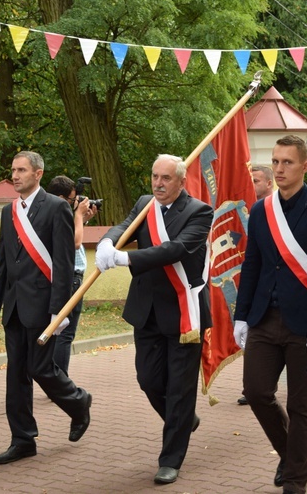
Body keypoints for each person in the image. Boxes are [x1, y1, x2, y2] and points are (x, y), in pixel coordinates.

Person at [233, 135, 307, 493]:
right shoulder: (261, 209)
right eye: (276, 162)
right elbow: (253, 264)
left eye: (287, 163)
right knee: (257, 390)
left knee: (302, 406)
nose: (279, 169)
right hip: (264, 317)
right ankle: (290, 454)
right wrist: (241, 314)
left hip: (305, 322)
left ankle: (295, 482)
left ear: (305, 167)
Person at [96, 154, 213, 484]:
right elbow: (125, 225)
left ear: (181, 180)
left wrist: (124, 258)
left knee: (179, 389)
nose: (158, 183)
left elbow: (175, 250)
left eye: (165, 178)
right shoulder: (145, 203)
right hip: (146, 309)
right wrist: (108, 240)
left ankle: (170, 458)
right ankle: (183, 419)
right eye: (154, 177)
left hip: (182, 312)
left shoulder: (199, 212)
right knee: (148, 379)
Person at [0, 151, 92, 465]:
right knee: (16, 374)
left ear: (38, 174)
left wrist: (61, 310)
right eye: (13, 170)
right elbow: (3, 262)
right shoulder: (8, 211)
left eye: (21, 170)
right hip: (15, 307)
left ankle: (78, 402)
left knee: (41, 369)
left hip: (45, 307)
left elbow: (63, 261)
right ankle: (23, 439)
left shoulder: (57, 207)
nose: (15, 175)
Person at [46, 175, 98, 374]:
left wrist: (81, 220)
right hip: (70, 279)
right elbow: (74, 243)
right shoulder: (58, 213)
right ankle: (60, 381)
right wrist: (77, 216)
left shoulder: (47, 212)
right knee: (65, 333)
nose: (75, 202)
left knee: (58, 331)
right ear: (61, 197)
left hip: (63, 277)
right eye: (72, 199)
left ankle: (54, 378)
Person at [238, 164, 275, 406]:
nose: (252, 185)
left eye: (257, 181)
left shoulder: (274, 210)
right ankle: (252, 389)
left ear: (269, 183)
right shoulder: (253, 210)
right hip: (260, 296)